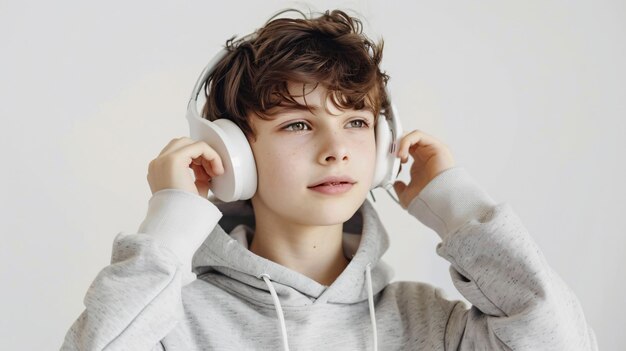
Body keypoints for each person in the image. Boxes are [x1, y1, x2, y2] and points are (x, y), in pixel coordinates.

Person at [61, 9, 598, 351]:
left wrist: (458, 206)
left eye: (357, 123)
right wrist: (171, 221)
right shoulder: (173, 326)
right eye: (298, 124)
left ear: (385, 149)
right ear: (234, 155)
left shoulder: (431, 324)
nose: (337, 149)